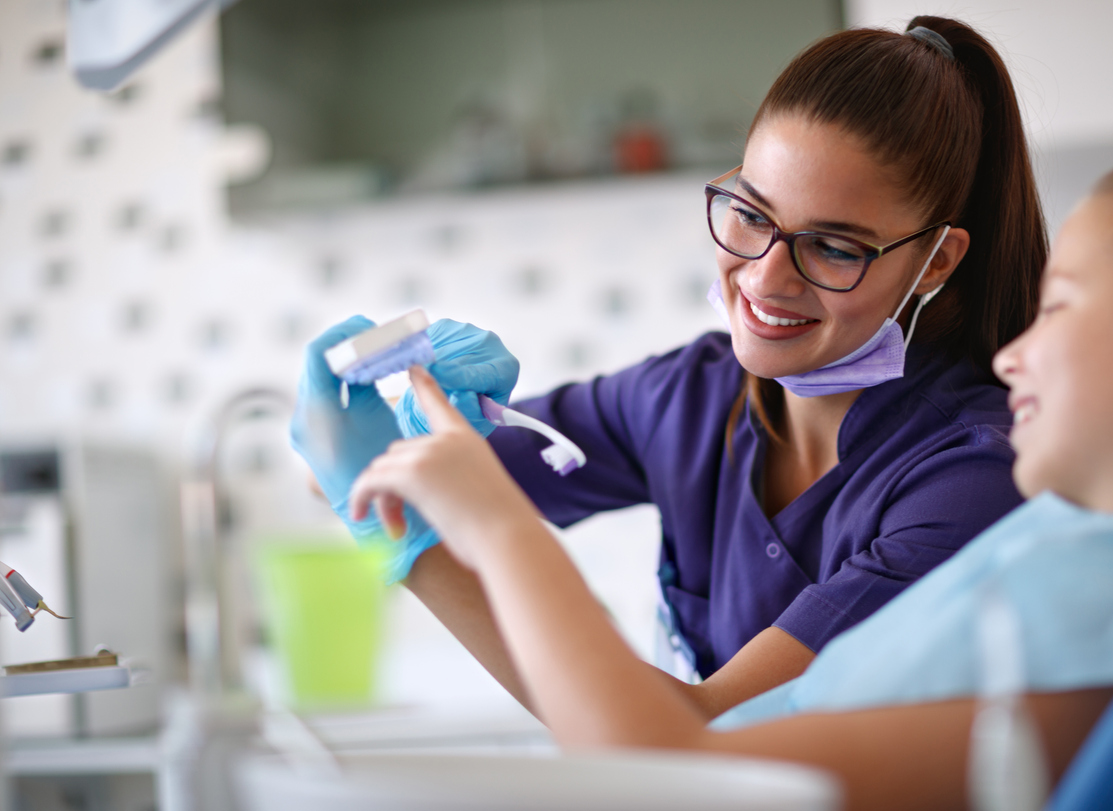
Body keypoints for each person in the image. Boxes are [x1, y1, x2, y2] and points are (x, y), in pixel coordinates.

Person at [347, 155, 1113, 811]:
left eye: (1058, 309)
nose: (1012, 353)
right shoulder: (1098, 570)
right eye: (748, 216)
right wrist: (395, 500)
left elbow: (679, 777)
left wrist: (495, 531)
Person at [292, 16, 1045, 716]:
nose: (765, 279)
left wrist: (413, 546)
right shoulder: (692, 396)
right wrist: (387, 434)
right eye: (752, 214)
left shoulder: (972, 479)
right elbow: (366, 484)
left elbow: (706, 729)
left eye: (834, 247)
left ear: (936, 260)